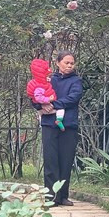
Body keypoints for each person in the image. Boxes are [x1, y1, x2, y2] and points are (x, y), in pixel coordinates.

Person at [34, 51, 83, 206]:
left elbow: (74, 98)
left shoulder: (76, 81)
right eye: (66, 62)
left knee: (65, 160)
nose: (69, 65)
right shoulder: (49, 80)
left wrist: (53, 104)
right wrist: (40, 105)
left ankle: (62, 196)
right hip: (49, 123)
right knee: (50, 160)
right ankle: (50, 197)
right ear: (58, 63)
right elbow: (35, 95)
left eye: (72, 63)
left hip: (68, 125)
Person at [26, 59, 65, 130]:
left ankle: (42, 125)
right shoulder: (40, 87)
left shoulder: (39, 83)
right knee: (61, 110)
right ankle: (59, 120)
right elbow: (37, 98)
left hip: (43, 110)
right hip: (47, 109)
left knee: (41, 115)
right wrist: (47, 101)